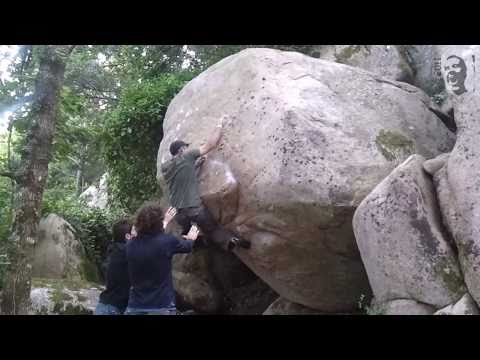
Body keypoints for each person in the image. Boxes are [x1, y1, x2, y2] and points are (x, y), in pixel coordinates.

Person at [161, 117, 251, 252]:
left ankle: (197, 245)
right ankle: (230, 241)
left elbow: (181, 175)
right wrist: (220, 125)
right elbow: (210, 144)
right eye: (186, 147)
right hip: (194, 208)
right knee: (213, 229)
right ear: (181, 150)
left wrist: (196, 165)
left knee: (188, 230)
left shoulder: (165, 167)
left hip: (179, 213)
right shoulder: (187, 156)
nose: (187, 149)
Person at [125, 203, 200, 315]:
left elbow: (151, 241)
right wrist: (190, 239)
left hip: (136, 306)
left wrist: (164, 222)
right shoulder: (167, 242)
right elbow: (187, 247)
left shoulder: (130, 245)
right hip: (161, 306)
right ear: (158, 223)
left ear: (138, 222)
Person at [94, 219, 134, 315]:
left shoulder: (115, 250)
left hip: (107, 306)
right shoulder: (126, 252)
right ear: (128, 236)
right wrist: (163, 225)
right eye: (135, 231)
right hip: (111, 309)